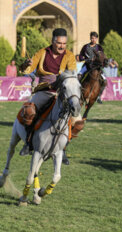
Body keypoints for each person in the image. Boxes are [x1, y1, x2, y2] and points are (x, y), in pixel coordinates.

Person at [19, 28, 77, 164]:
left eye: (64, 43)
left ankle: (63, 149)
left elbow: (72, 74)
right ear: (53, 41)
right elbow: (27, 69)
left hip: (62, 93)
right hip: (44, 91)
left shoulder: (69, 56)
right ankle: (28, 143)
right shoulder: (43, 53)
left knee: (76, 120)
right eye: (59, 43)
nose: (62, 46)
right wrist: (26, 64)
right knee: (30, 110)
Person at [78, 31, 106, 104]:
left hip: (96, 67)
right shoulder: (85, 47)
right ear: (90, 38)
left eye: (95, 38)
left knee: (105, 81)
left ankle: (99, 96)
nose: (93, 39)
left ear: (97, 39)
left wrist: (102, 64)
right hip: (87, 66)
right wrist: (84, 59)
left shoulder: (99, 47)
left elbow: (102, 57)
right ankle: (77, 94)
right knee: (78, 76)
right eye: (92, 38)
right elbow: (80, 56)